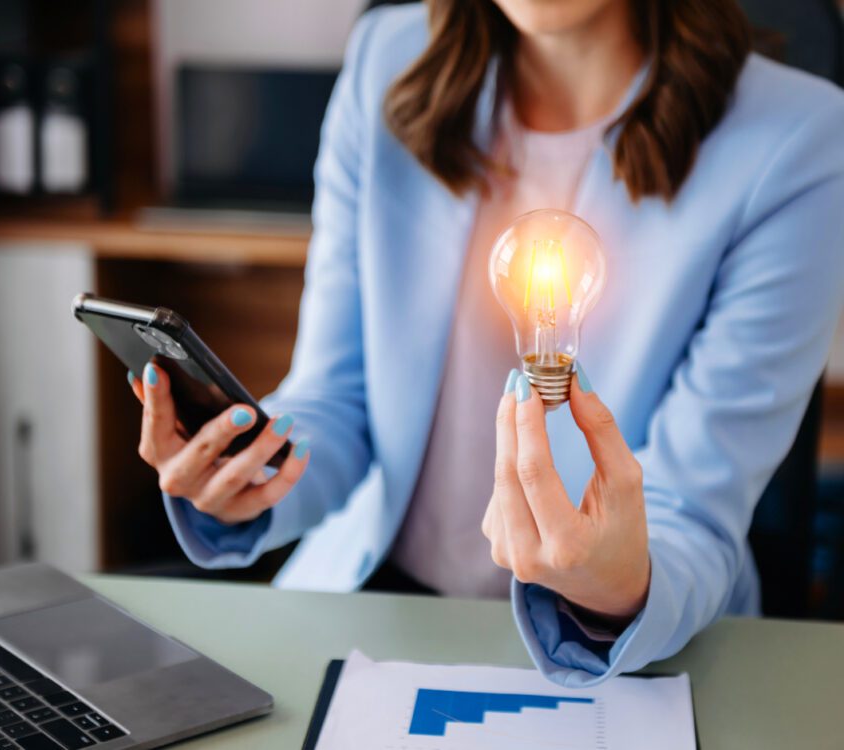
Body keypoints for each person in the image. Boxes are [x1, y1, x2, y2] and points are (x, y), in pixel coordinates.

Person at [128, 0, 844, 686]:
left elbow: (696, 501)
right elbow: (337, 400)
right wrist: (248, 475)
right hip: (381, 607)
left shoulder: (799, 140)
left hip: (617, 646)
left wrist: (620, 583)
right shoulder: (387, 62)